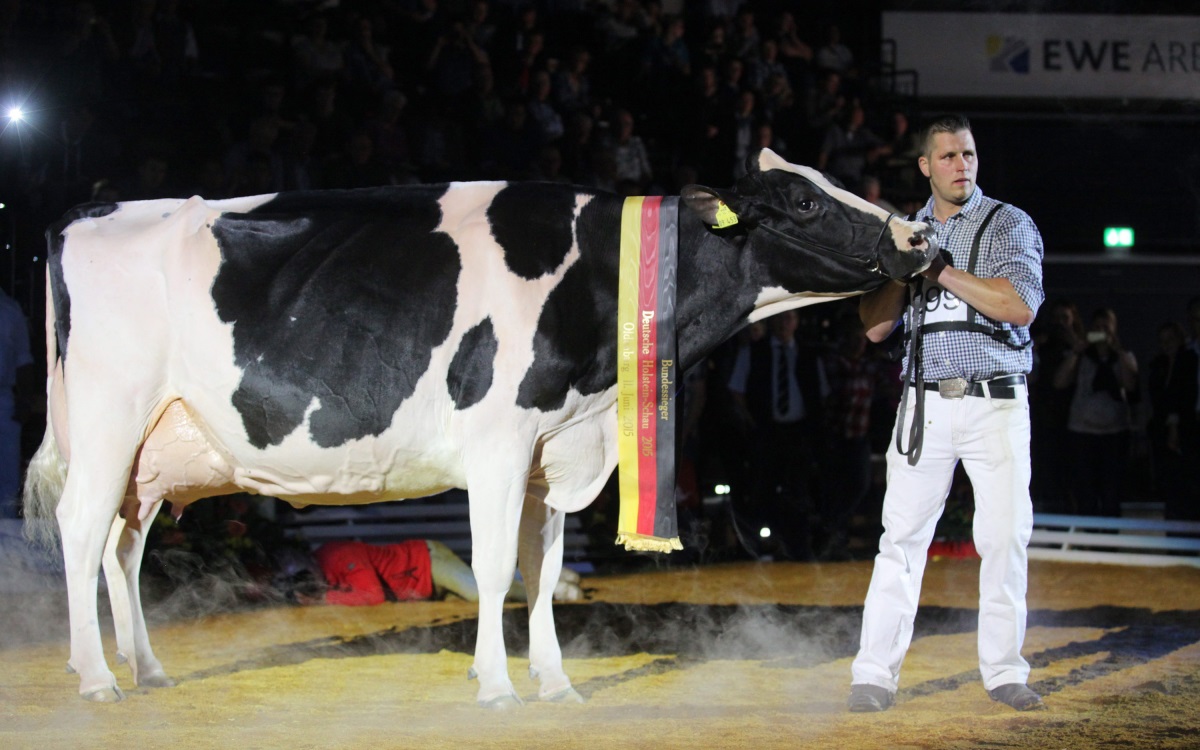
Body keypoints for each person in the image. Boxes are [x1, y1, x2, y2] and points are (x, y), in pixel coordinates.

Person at [849, 114, 1045, 713]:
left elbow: (1018, 306)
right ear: (926, 166)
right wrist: (901, 268)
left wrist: (940, 271)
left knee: (1004, 538)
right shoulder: (905, 232)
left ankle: (1005, 672)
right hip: (925, 404)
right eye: (950, 156)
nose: (962, 165)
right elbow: (876, 328)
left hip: (996, 401)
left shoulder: (1010, 222)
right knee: (900, 541)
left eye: (969, 154)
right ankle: (873, 677)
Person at [727, 310, 826, 561]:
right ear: (772, 321)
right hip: (766, 430)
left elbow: (821, 392)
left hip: (797, 431)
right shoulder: (754, 351)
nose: (784, 323)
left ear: (797, 322)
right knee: (762, 488)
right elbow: (736, 390)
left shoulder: (808, 353)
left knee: (798, 489)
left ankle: (798, 546)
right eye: (780, 318)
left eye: (790, 318)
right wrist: (752, 422)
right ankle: (759, 546)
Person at [283, 539, 583, 606]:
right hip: (425, 589)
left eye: (306, 579)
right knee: (477, 587)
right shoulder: (322, 569)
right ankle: (542, 573)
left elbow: (373, 595)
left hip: (428, 562)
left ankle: (552, 588)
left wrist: (324, 599)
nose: (310, 585)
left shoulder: (338, 556)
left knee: (481, 593)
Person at [1054, 307, 1139, 517]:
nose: (1101, 332)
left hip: (1114, 433)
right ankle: (1087, 541)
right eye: (1097, 328)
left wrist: (1117, 350)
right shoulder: (1082, 355)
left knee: (1112, 491)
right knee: (1086, 491)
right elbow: (1059, 382)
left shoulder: (1123, 355)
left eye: (1106, 328)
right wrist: (1077, 350)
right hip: (1082, 432)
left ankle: (1110, 541)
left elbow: (1131, 385)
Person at [1147, 320, 1198, 520]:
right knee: (1168, 484)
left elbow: (1186, 394)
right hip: (1160, 430)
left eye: (1170, 339)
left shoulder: (1189, 359)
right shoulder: (1158, 364)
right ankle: (1173, 532)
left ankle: (1189, 537)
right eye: (1162, 340)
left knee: (1187, 484)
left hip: (1186, 430)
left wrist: (1174, 424)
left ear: (1179, 338)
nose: (1166, 344)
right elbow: (1156, 398)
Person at [0, 288, 33, 518]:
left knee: (8, 474)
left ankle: (7, 533)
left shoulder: (10, 310)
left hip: (4, 401)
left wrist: (25, 399)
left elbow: (24, 358)